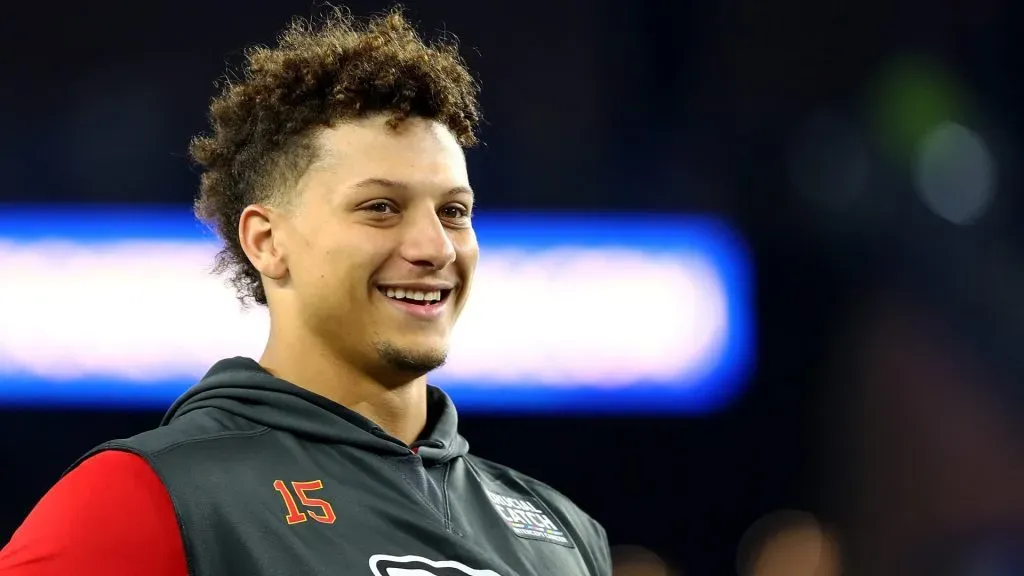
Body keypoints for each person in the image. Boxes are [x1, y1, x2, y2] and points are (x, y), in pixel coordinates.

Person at [0, 7, 611, 576]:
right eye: (380, 207)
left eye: (454, 211)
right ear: (266, 241)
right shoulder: (143, 499)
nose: (435, 248)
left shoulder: (564, 534)